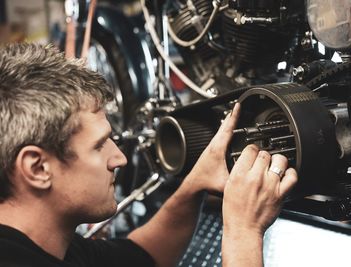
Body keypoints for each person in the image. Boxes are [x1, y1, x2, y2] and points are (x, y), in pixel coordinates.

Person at [0, 42, 298, 267]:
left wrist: (194, 185)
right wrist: (243, 233)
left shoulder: (46, 245)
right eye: (100, 144)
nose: (120, 159)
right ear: (37, 168)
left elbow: (143, 256)